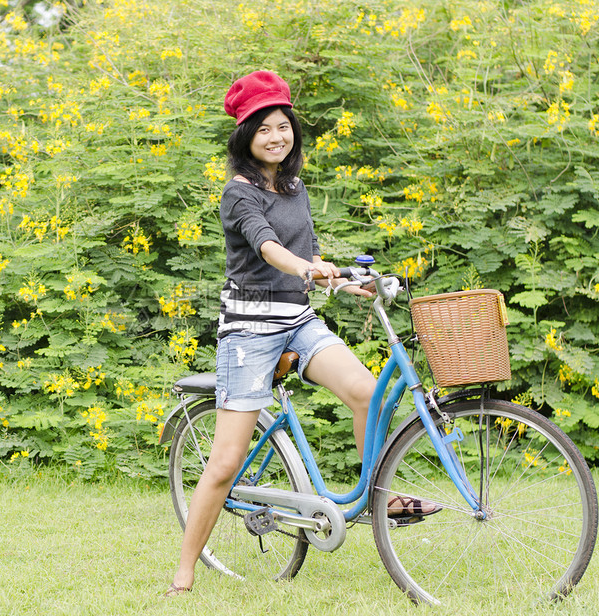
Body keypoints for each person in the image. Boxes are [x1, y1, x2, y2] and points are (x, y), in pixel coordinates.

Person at [165, 71, 434, 598]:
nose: (275, 137)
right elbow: (269, 250)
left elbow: (304, 255)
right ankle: (184, 571)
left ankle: (377, 497)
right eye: (263, 128)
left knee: (367, 394)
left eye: (282, 126)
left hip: (297, 320)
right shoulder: (238, 195)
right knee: (225, 463)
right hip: (248, 333)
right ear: (245, 137)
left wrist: (343, 278)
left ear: (293, 133)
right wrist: (307, 271)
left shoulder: (294, 186)